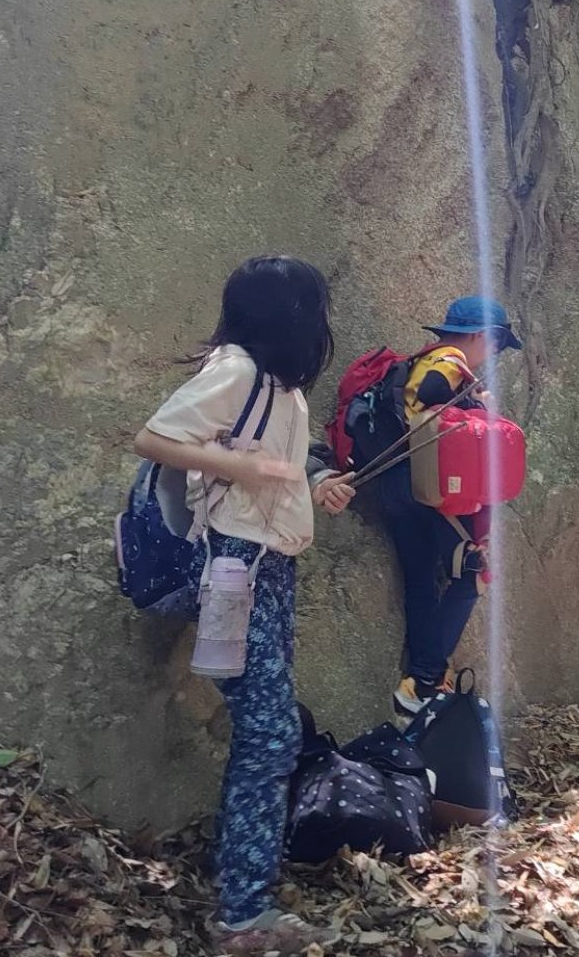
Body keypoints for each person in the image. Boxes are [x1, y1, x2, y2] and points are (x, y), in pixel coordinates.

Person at [132, 256, 355, 955]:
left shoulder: (277, 384)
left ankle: (241, 874)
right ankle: (242, 912)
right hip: (234, 567)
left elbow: (275, 462)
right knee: (269, 730)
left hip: (269, 565)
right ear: (290, 317)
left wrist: (315, 484)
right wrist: (243, 468)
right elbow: (154, 437)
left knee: (269, 725)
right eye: (315, 310)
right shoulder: (237, 370)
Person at [382, 295, 522, 717]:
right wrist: (478, 403)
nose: (494, 352)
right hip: (429, 488)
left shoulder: (425, 358)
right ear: (481, 335)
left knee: (423, 581)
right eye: (496, 343)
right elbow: (433, 396)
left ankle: (421, 684)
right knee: (473, 574)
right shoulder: (449, 361)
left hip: (398, 485)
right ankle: (424, 678)